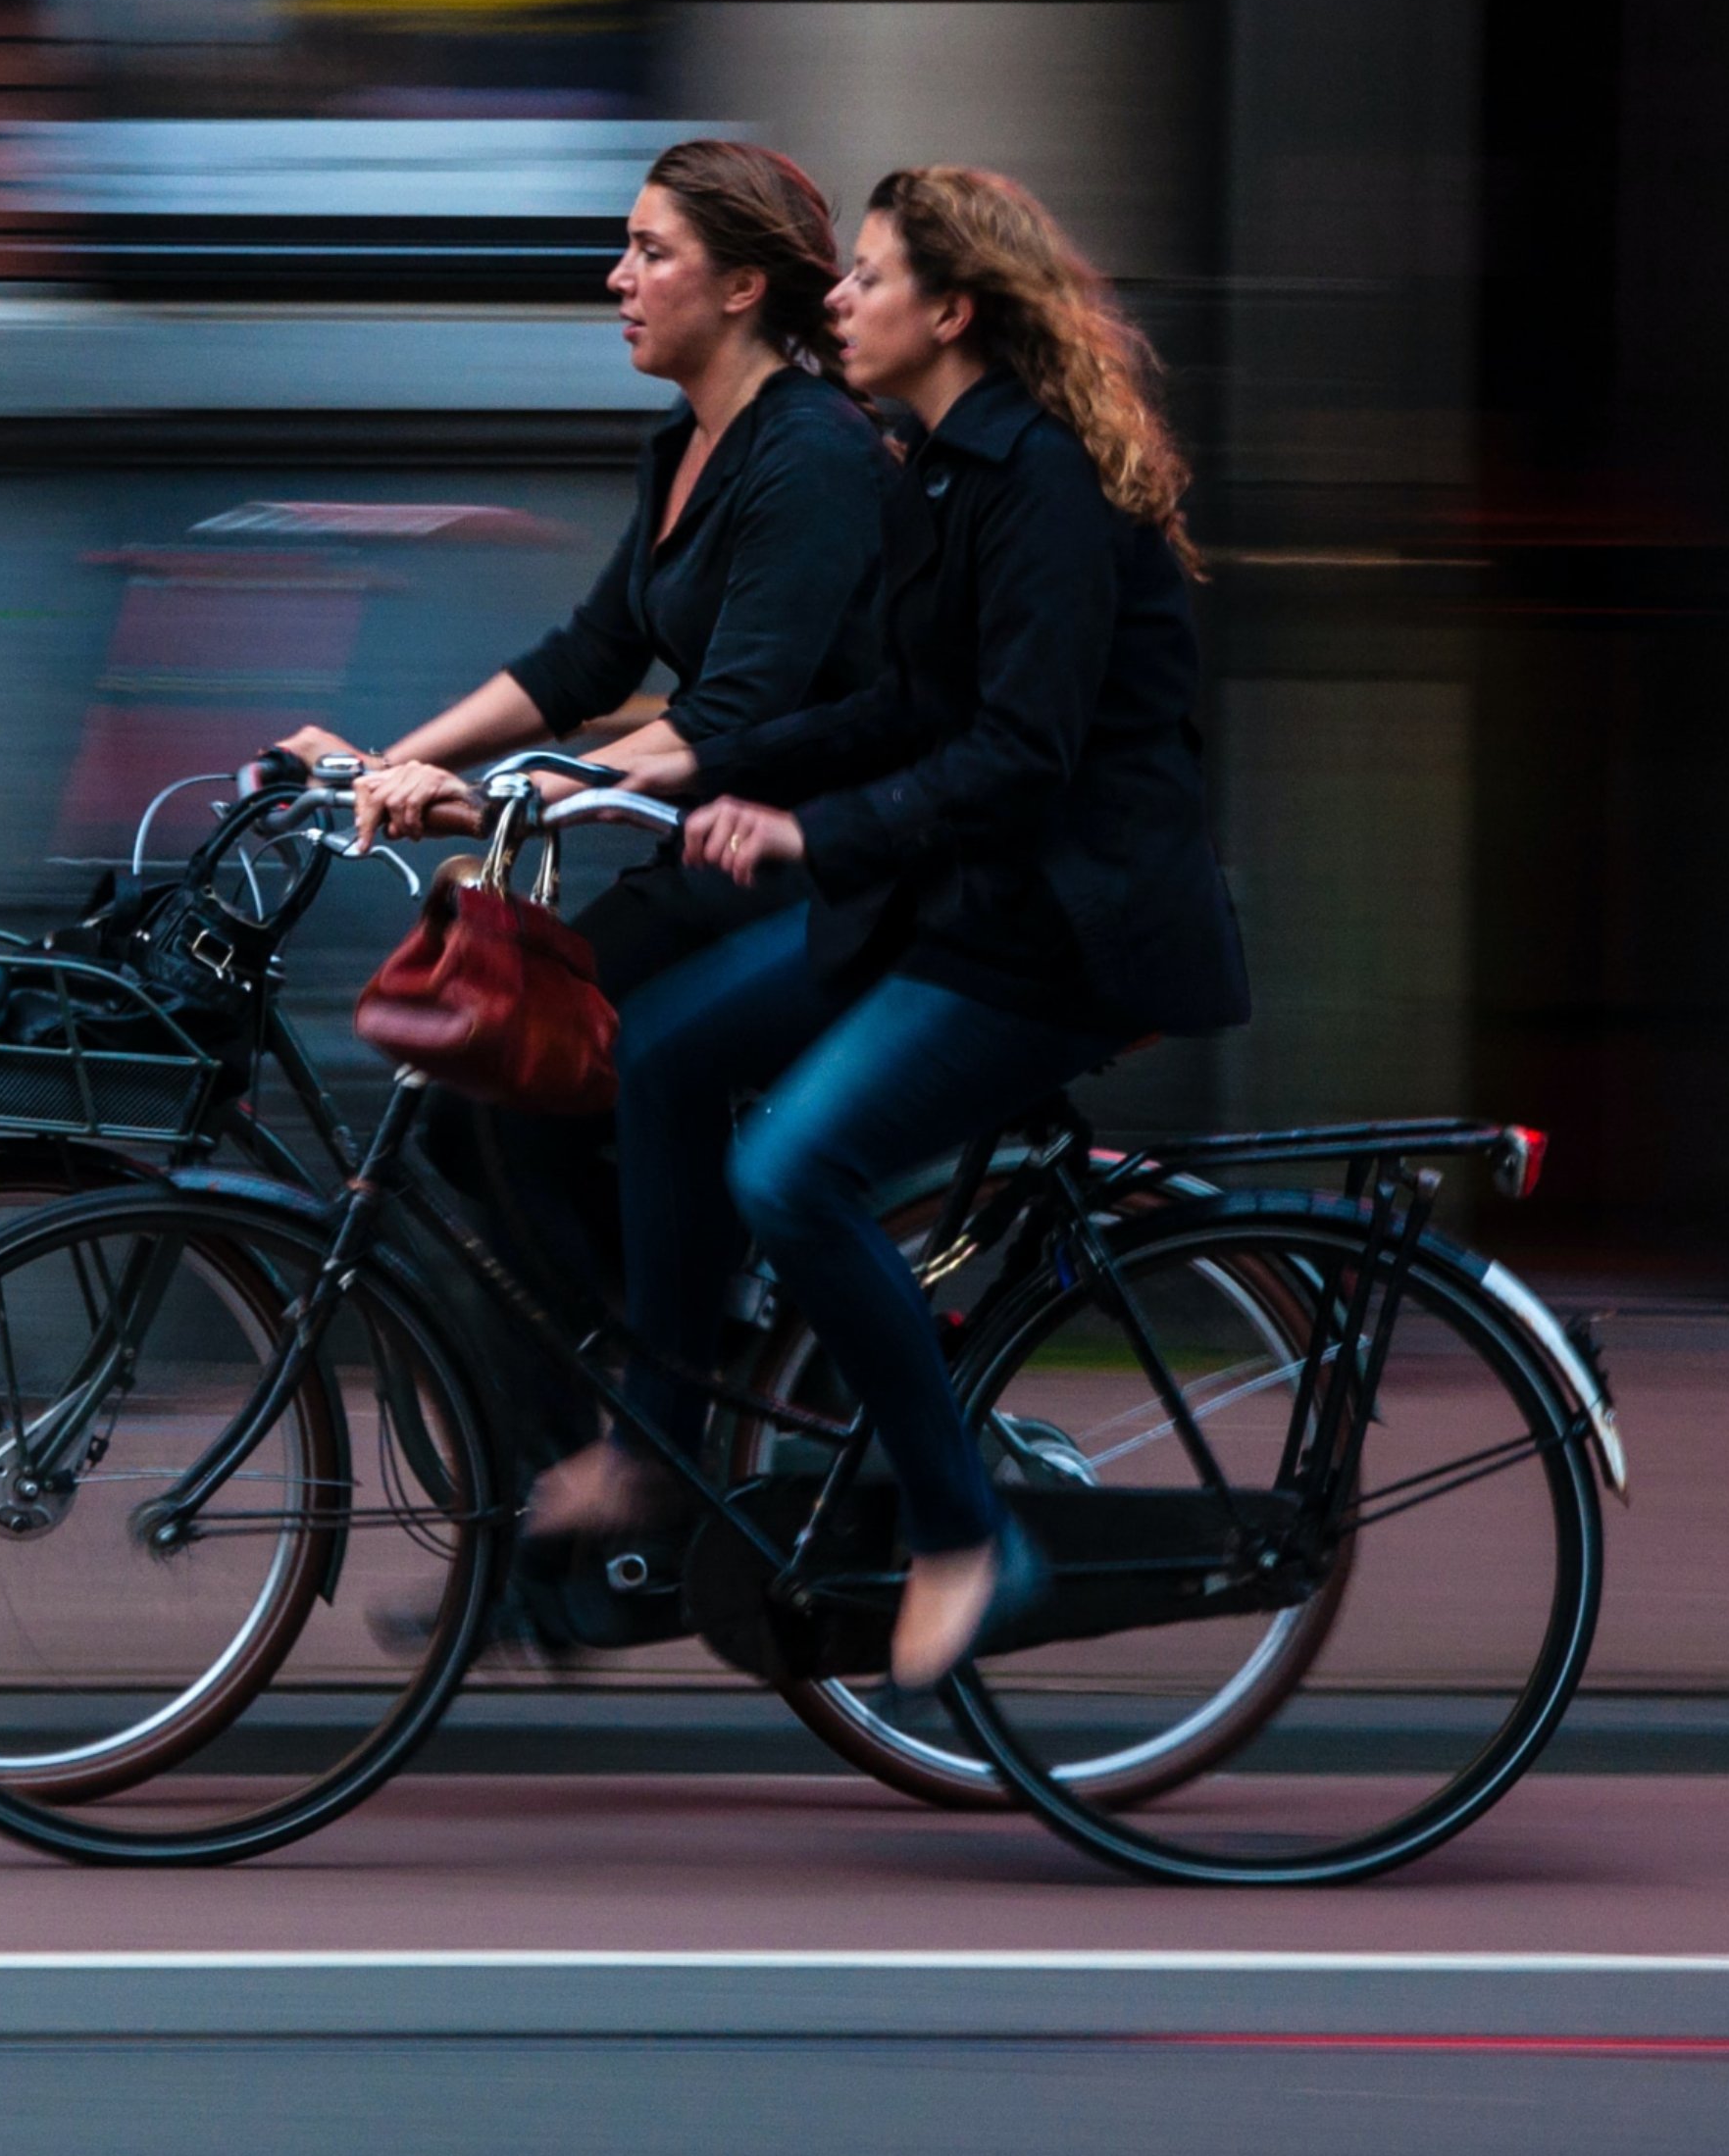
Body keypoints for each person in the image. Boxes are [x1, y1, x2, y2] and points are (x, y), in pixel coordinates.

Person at [528, 164, 1251, 1689]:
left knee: (791, 1169)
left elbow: (1020, 753)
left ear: (955, 309)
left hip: (1060, 933)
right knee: (655, 1052)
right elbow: (906, 703)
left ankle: (967, 1534)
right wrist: (706, 764)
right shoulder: (937, 464)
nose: (836, 302)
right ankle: (659, 1447)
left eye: (866, 279)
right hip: (951, 901)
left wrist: (806, 830)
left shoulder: (1040, 479)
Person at [282, 137, 889, 1014]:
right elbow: (589, 659)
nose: (618, 278)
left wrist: (516, 791)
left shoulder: (811, 454)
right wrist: (382, 768)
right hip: (703, 848)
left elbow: (734, 712)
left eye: (652, 252)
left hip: (805, 867)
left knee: (520, 1062)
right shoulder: (684, 439)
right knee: (505, 1069)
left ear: (740, 287)